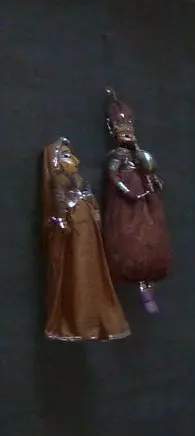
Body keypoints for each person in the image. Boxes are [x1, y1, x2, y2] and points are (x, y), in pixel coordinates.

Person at [40, 137, 130, 342]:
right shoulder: (59, 179)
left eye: (70, 154)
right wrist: (62, 220)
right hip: (75, 226)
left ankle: (95, 314)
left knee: (91, 265)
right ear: (55, 160)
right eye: (65, 155)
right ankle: (79, 318)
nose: (73, 159)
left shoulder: (78, 178)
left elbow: (89, 197)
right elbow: (59, 201)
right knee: (78, 266)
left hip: (87, 226)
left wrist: (96, 213)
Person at [102, 89, 171, 314]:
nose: (127, 136)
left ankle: (148, 285)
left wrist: (154, 181)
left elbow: (150, 172)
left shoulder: (138, 156)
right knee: (131, 237)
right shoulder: (118, 156)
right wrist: (125, 189)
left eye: (129, 132)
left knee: (149, 234)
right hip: (128, 200)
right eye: (123, 132)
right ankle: (141, 284)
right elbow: (113, 174)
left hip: (144, 197)